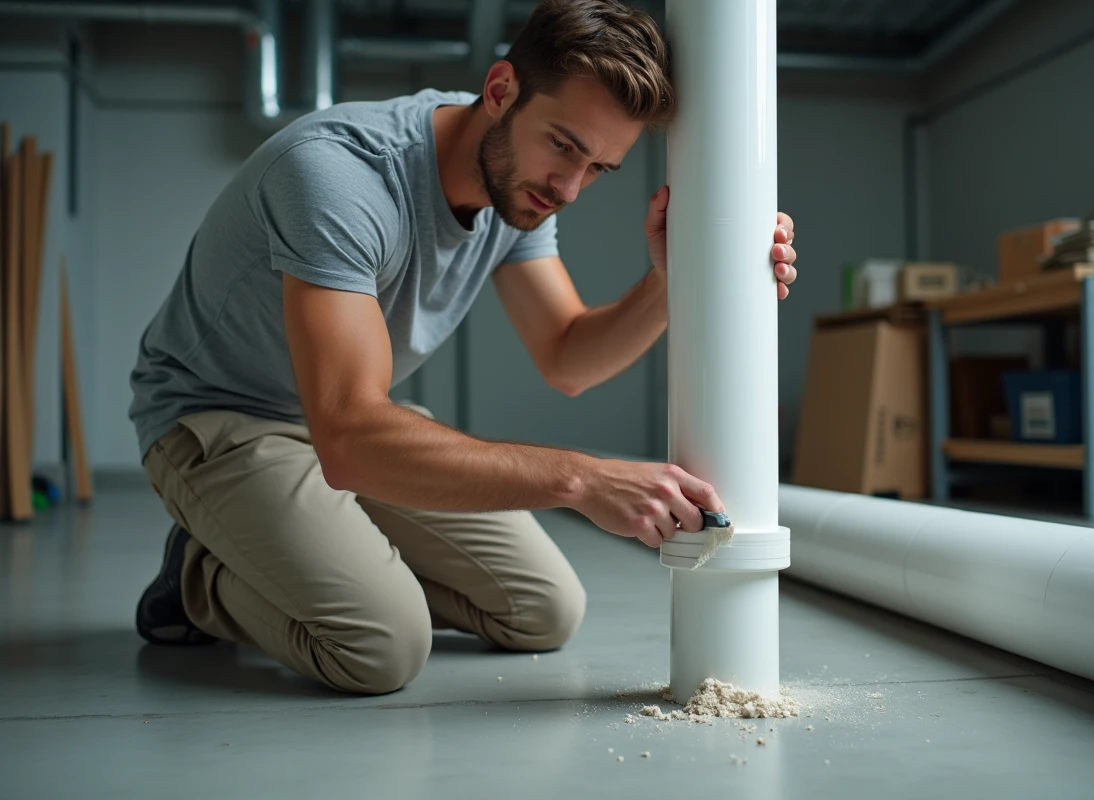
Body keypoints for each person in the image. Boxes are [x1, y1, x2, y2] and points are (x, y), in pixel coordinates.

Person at [129, 0, 798, 694]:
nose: (569, 188)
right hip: (219, 420)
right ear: (501, 89)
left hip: (342, 422)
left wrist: (673, 280)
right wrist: (581, 479)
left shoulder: (520, 190)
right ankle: (197, 575)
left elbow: (567, 356)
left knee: (544, 610)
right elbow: (350, 439)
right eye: (564, 145)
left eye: (600, 167)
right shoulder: (338, 178)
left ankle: (312, 551)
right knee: (380, 645)